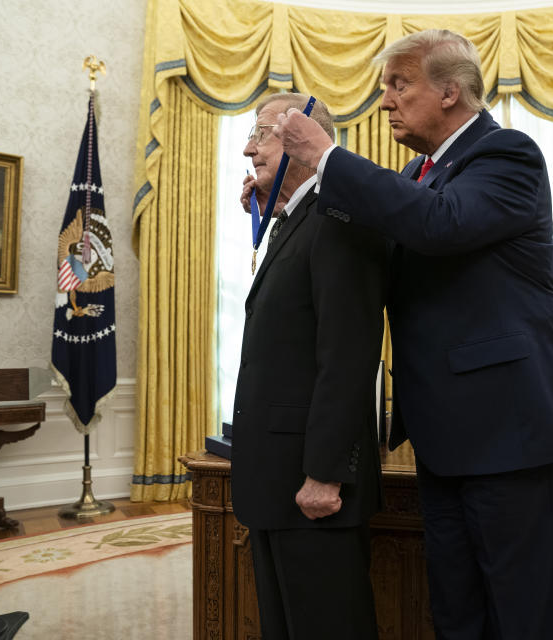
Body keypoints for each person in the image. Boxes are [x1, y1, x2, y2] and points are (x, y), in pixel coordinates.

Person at [275, 29, 553, 640]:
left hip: (514, 434)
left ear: (450, 91)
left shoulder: (507, 154)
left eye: (400, 84)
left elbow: (440, 225)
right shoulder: (418, 173)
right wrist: (287, 192)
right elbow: (378, 248)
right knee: (455, 614)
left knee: (522, 616)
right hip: (445, 437)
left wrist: (328, 158)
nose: (386, 99)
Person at [228, 93, 387, 640]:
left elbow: (347, 355)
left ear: (300, 137)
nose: (248, 149)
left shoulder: (339, 216)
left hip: (313, 485)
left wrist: (325, 472)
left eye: (262, 133)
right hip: (278, 478)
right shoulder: (295, 221)